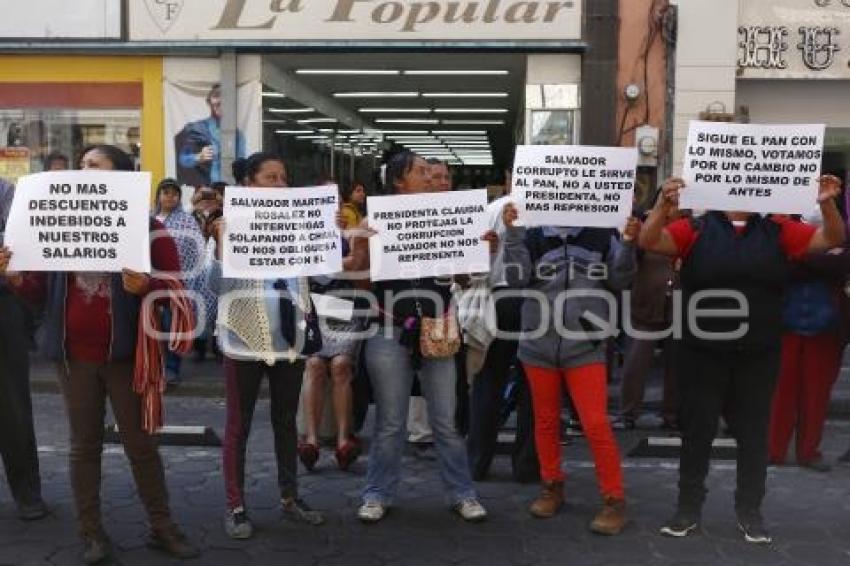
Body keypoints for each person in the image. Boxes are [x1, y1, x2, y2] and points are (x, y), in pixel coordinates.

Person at [1, 145, 199, 564]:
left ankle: (162, 527)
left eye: (94, 164)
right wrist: (17, 277)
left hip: (128, 356)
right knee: (83, 446)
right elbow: (38, 294)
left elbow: (178, 292)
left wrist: (146, 287)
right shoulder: (55, 224)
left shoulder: (150, 230)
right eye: (82, 164)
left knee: (141, 446)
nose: (82, 169)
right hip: (73, 358)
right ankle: (91, 533)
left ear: (122, 177)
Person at [640, 175, 845, 545]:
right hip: (701, 351)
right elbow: (650, 240)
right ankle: (688, 509)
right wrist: (661, 206)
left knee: (753, 436)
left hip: (758, 352)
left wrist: (827, 202)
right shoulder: (696, 227)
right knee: (697, 434)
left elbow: (831, 239)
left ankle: (750, 511)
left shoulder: (779, 229)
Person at [348, 151, 487, 524]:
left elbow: (464, 278)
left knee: (445, 420)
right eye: (422, 172)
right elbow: (361, 281)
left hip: (438, 324)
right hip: (389, 328)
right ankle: (377, 492)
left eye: (432, 172)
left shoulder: (448, 217)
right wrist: (361, 247)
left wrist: (481, 250)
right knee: (391, 421)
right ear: (398, 181)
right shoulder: (374, 219)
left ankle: (462, 492)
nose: (431, 177)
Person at [495, 202, 639, 535]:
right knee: (544, 421)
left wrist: (629, 243)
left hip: (584, 345)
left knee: (595, 423)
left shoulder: (602, 234)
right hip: (537, 343)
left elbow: (620, 280)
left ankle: (614, 499)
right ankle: (552, 485)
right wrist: (513, 236)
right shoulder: (531, 235)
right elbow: (516, 281)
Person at [209, 151, 324, 540]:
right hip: (243, 336)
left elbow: (322, 274)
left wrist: (338, 235)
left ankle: (290, 497)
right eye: (270, 178)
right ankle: (235, 505)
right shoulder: (228, 226)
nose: (279, 185)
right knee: (238, 425)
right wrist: (223, 243)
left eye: (283, 178)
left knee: (285, 421)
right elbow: (214, 287)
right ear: (248, 185)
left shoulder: (300, 224)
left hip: (289, 338)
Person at [465, 167, 539, 482]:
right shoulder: (547, 215)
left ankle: (477, 462)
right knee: (531, 388)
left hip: (498, 302)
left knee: (488, 384)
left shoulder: (491, 210)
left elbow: (471, 259)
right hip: (537, 304)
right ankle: (525, 467)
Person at [768, 215, 850, 472]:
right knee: (781, 394)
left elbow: (839, 266)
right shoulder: (780, 235)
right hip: (788, 326)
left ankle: (807, 451)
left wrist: (798, 256)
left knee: (816, 396)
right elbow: (780, 268)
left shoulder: (839, 240)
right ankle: (776, 450)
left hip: (826, 329)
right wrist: (822, 259)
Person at [0, 177, 46, 522]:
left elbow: (17, 239)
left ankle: (27, 492)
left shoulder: (6, 191)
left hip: (3, 303)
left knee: (11, 405)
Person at [619, 195, 679, 430]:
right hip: (646, 306)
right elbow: (628, 263)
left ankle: (672, 414)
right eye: (671, 203)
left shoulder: (691, 229)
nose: (675, 208)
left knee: (677, 366)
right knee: (636, 363)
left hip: (679, 308)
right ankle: (628, 413)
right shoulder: (643, 228)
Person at [153, 178, 207, 385]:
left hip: (176, 283)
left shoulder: (187, 221)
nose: (170, 196)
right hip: (147, 282)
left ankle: (172, 368)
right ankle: (155, 366)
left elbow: (196, 251)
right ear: (158, 195)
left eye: (174, 193)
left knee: (171, 327)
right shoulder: (148, 218)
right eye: (165, 192)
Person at [177, 84, 246, 186]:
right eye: (216, 95)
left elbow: (242, 166)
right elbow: (182, 159)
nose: (221, 101)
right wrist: (198, 157)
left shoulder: (238, 135)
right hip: (205, 191)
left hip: (230, 191)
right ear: (208, 101)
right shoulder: (195, 128)